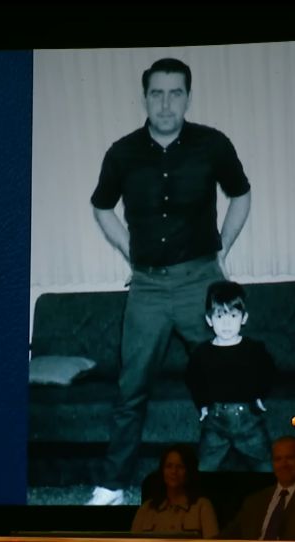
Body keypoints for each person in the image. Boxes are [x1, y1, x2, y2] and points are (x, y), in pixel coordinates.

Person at [87, 57, 252, 505]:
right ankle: (114, 484)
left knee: (224, 384)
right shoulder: (121, 153)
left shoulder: (212, 145)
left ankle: (229, 482)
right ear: (145, 98)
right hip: (148, 289)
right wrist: (129, 249)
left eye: (175, 92)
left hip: (202, 284)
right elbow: (102, 206)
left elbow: (241, 194)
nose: (165, 103)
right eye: (156, 93)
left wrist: (224, 249)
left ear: (188, 97)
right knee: (131, 388)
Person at [186, 280, 275, 473]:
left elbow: (268, 372)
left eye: (233, 316)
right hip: (215, 420)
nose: (226, 323)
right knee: (203, 466)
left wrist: (261, 395)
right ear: (209, 320)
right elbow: (194, 380)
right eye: (219, 316)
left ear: (243, 318)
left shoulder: (254, 349)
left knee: (265, 464)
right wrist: (201, 404)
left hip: (249, 418)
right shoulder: (201, 353)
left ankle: (277, 497)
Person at [219, 436, 295, 540]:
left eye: (290, 458)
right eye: (278, 459)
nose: (283, 464)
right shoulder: (255, 501)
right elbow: (229, 535)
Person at [131, 443, 219, 538]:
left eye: (180, 467)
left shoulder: (202, 507)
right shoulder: (146, 509)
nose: (174, 472)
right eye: (169, 466)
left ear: (189, 471)